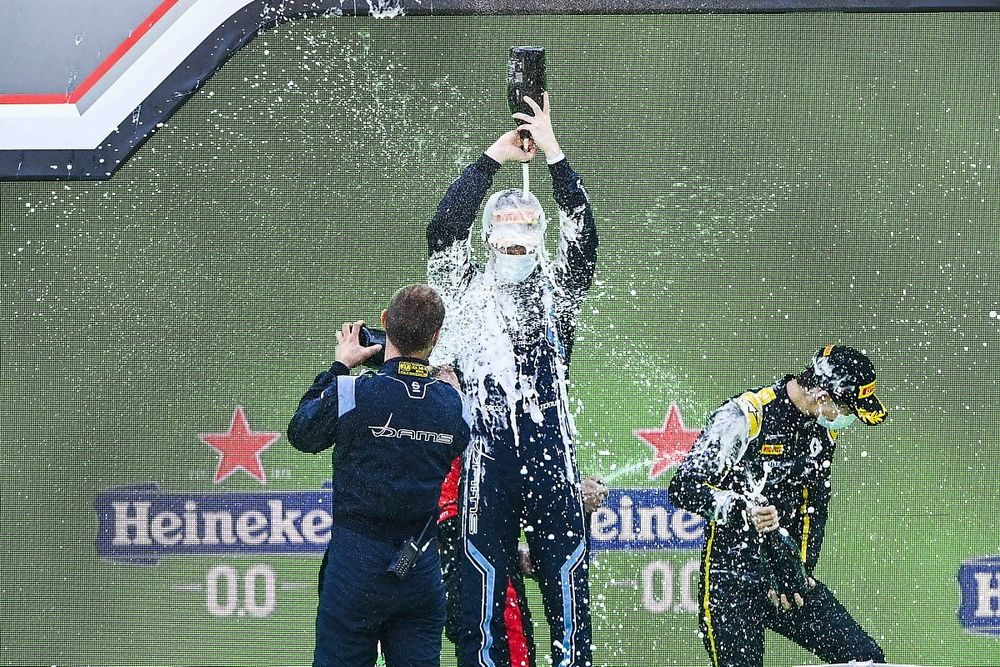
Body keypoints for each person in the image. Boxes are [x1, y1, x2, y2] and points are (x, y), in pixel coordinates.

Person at [427, 91, 598, 667]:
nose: (516, 238)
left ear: (540, 234)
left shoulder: (558, 291)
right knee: (483, 580)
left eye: (527, 226)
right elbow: (443, 229)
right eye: (506, 227)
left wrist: (553, 153)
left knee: (568, 579)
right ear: (489, 236)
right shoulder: (467, 289)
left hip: (551, 450)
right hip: (487, 453)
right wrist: (494, 156)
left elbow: (586, 240)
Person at [667, 345, 889, 667]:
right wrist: (740, 509)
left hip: (785, 575)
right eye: (849, 411)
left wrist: (796, 572)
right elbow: (683, 486)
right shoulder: (746, 415)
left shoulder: (824, 430)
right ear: (823, 396)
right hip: (731, 581)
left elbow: (814, 506)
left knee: (865, 658)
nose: (849, 420)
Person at [287, 285, 470, 667]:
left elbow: (301, 433)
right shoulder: (452, 403)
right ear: (436, 337)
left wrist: (341, 366)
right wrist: (436, 384)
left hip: (356, 566)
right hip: (419, 567)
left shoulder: (353, 391)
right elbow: (456, 439)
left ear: (385, 323)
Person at [438, 461, 609, 666]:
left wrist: (572, 501)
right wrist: (569, 498)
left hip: (468, 545)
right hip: (468, 553)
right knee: (498, 638)